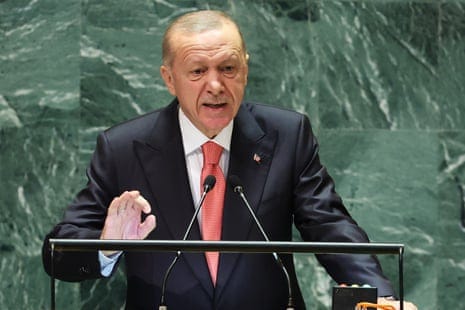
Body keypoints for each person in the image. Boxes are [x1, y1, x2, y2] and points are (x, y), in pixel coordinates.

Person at [42, 10, 417, 310]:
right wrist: (107, 244)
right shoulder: (124, 147)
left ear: (246, 69)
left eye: (228, 68)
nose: (216, 85)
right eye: (197, 72)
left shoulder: (287, 135)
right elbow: (59, 253)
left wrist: (379, 297)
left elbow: (329, 225)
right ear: (169, 79)